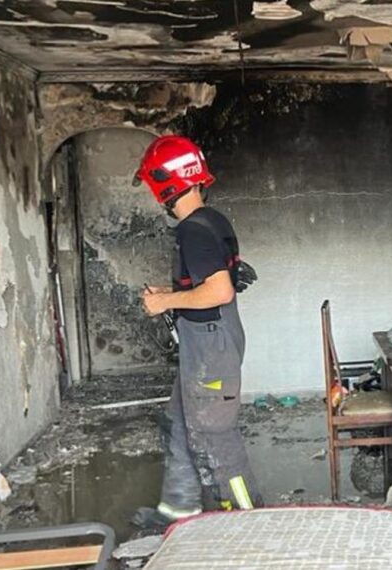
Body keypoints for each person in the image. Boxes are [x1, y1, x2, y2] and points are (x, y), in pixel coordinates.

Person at [131, 135, 261, 529]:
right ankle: (178, 510)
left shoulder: (193, 230)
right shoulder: (213, 220)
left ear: (164, 185)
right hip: (208, 343)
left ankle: (249, 521)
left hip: (210, 349)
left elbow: (218, 289)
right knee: (177, 422)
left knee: (215, 439)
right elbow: (216, 280)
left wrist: (164, 302)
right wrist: (173, 293)